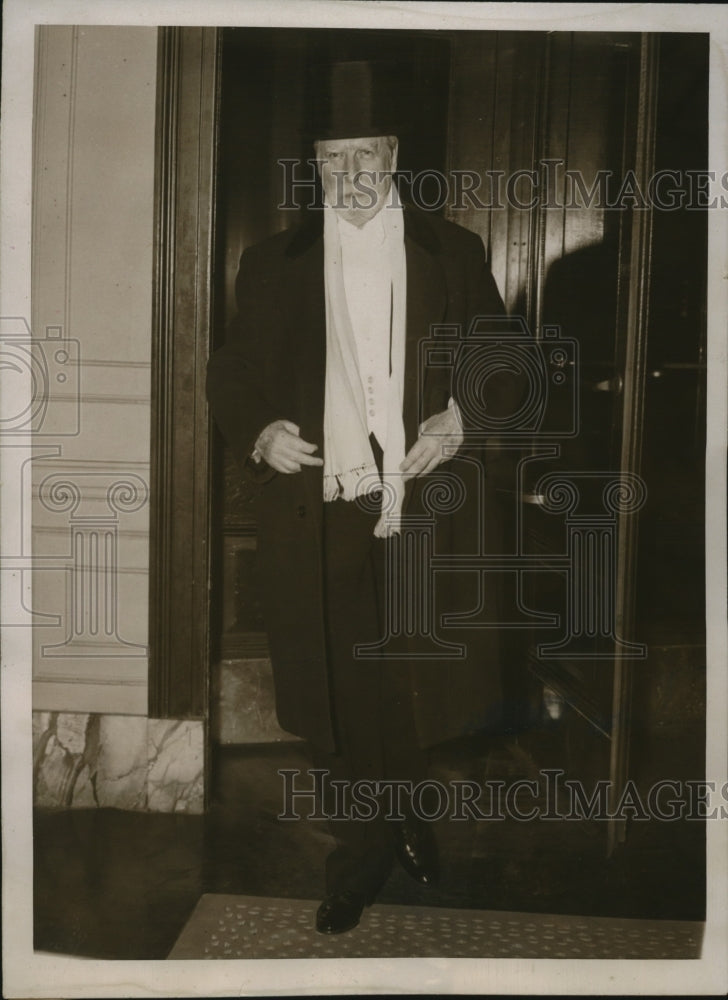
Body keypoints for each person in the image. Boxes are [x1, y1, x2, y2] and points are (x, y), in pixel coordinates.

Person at [206, 60, 519, 934]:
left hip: (424, 503)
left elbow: (501, 360)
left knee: (413, 678)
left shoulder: (452, 250)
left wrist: (459, 418)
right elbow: (231, 371)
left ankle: (396, 817)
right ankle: (365, 850)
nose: (349, 177)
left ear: (393, 155)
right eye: (331, 159)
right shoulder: (270, 261)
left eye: (365, 157)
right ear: (314, 165)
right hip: (321, 507)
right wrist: (261, 428)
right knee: (340, 692)